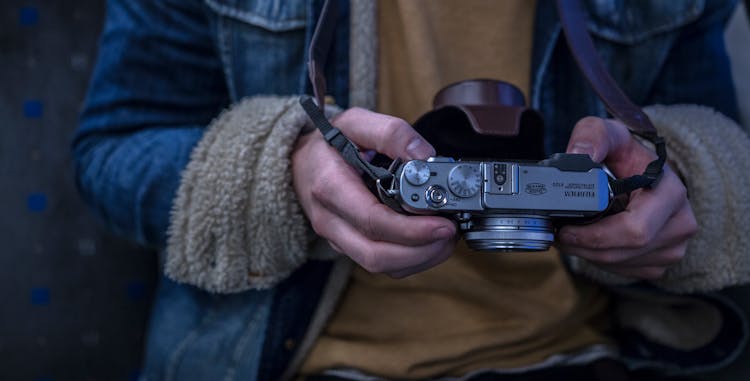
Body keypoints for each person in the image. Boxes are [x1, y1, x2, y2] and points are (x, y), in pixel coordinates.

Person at [73, 0, 750, 380]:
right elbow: (113, 146)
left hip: (583, 352)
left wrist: (682, 178)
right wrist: (282, 170)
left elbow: (712, 136)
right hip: (290, 363)